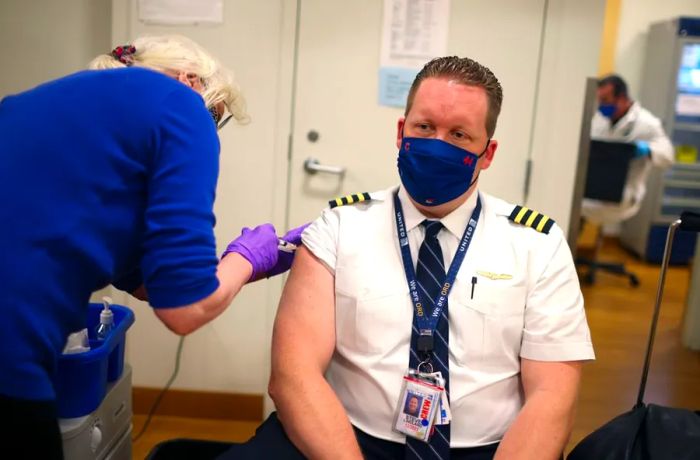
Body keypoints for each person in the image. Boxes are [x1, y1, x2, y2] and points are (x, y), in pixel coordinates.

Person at [211, 56, 594, 460]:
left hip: (485, 449)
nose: (436, 145)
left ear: (488, 153)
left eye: (459, 135)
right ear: (401, 131)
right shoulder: (339, 227)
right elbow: (293, 376)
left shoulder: (538, 244)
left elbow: (552, 396)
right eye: (424, 127)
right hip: (342, 437)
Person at [0, 35, 305, 459]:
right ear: (191, 80)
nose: (210, 131)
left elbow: (147, 282)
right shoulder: (181, 104)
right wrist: (249, 259)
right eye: (215, 117)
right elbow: (184, 310)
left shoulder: (48, 104)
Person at [584, 74, 674, 223]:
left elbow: (668, 156)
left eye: (605, 100)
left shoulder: (647, 123)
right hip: (595, 190)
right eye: (600, 100)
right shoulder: (599, 119)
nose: (601, 105)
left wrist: (647, 149)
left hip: (624, 196)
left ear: (622, 98)